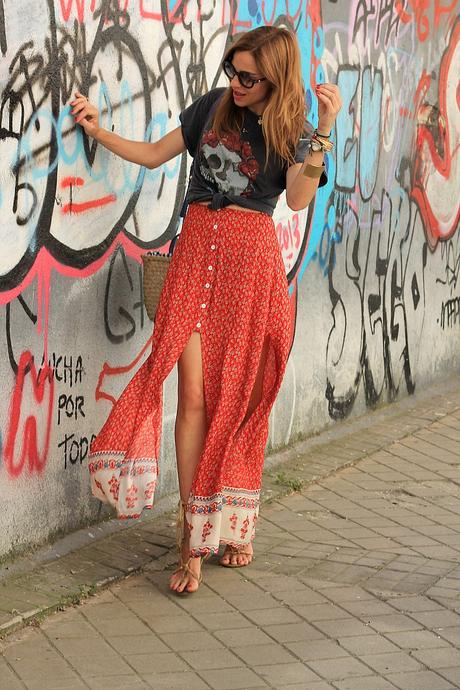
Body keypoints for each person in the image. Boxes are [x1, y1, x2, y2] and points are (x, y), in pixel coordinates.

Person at [71, 25, 342, 595]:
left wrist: (323, 132)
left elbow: (296, 198)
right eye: (232, 71)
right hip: (194, 257)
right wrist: (99, 130)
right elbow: (152, 156)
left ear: (275, 77)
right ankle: (192, 542)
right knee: (190, 397)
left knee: (235, 401)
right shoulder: (211, 109)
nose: (237, 83)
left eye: (249, 77)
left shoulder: (293, 130)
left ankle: (229, 524)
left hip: (248, 269)